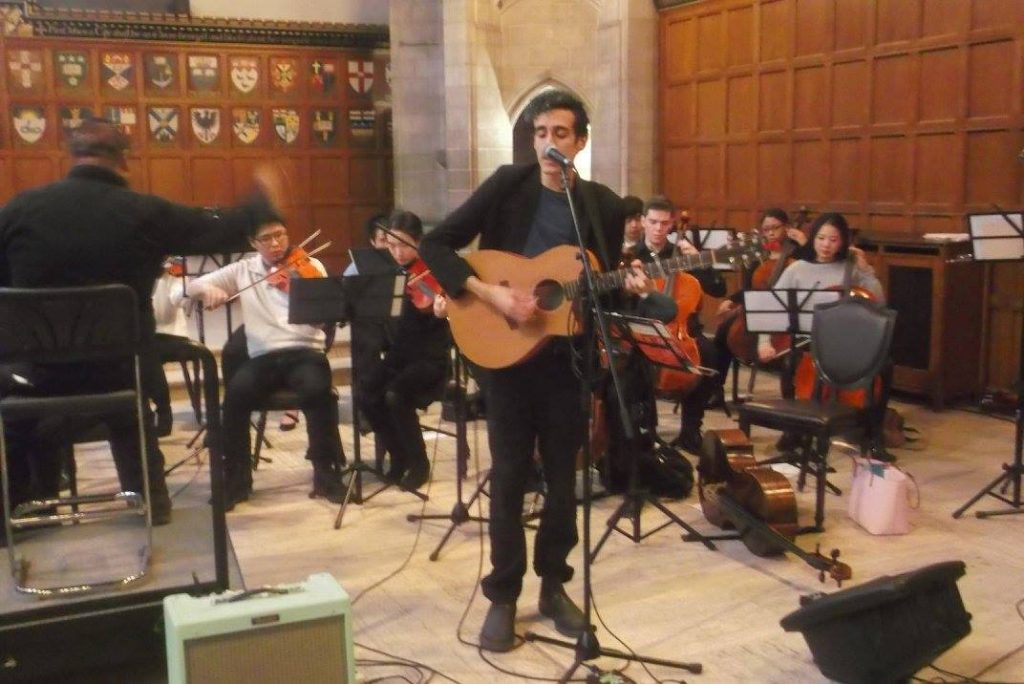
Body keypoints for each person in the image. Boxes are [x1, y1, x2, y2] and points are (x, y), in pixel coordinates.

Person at [420, 89, 663, 653]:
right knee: (508, 477)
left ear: (580, 141)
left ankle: (555, 586)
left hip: (567, 361)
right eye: (540, 133)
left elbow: (598, 285)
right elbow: (436, 244)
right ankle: (503, 596)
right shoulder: (509, 184)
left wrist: (629, 286)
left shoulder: (599, 205)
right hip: (504, 355)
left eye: (560, 134)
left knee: (563, 479)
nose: (549, 144)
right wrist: (493, 296)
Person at [0, 117, 281, 527]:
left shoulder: (19, 210)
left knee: (21, 409)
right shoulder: (144, 213)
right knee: (130, 403)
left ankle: (25, 513)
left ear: (72, 156)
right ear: (124, 162)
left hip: (36, 379)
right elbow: (220, 231)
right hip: (121, 373)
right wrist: (262, 201)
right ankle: (151, 504)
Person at [186, 220, 346, 511]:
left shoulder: (312, 266)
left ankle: (326, 475)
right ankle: (237, 480)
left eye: (281, 235)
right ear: (253, 243)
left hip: (305, 351)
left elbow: (323, 319)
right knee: (235, 397)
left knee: (317, 391)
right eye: (267, 239)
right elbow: (194, 284)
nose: (276, 244)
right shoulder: (245, 270)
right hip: (264, 357)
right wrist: (209, 291)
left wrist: (297, 288)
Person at [359, 211, 450, 491]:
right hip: (400, 356)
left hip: (431, 360)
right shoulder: (389, 274)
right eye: (392, 245)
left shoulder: (434, 272)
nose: (398, 252)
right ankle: (398, 455)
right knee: (367, 392)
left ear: (419, 241)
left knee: (395, 394)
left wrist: (441, 309)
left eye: (405, 245)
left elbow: (444, 309)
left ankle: (419, 463)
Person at [631, 195, 726, 454]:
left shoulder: (683, 255)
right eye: (653, 222)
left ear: (673, 224)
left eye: (664, 223)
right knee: (633, 358)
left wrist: (701, 262)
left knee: (708, 354)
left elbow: (719, 288)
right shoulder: (632, 256)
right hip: (646, 328)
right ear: (643, 222)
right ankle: (645, 428)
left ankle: (691, 429)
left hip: (683, 330)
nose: (659, 229)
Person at [757, 211, 885, 364]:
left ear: (843, 242)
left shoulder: (851, 268)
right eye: (821, 238)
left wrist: (866, 271)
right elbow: (771, 305)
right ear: (812, 239)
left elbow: (879, 302)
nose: (826, 245)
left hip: (842, 342)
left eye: (833, 240)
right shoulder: (797, 268)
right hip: (803, 344)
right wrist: (764, 342)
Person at [620, 195, 644, 259]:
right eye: (629, 220)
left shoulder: (648, 245)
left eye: (638, 219)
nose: (634, 225)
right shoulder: (613, 246)